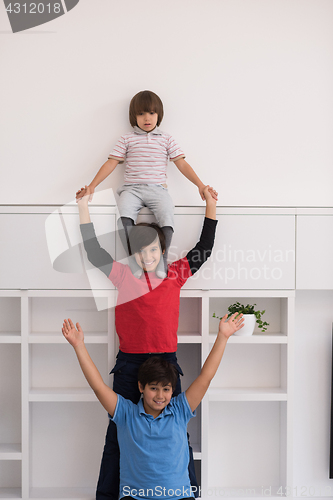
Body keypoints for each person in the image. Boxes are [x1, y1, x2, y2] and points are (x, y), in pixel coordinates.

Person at [78, 184, 217, 500]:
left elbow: (205, 248)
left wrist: (210, 204)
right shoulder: (123, 276)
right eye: (141, 250)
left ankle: (187, 494)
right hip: (130, 365)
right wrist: (83, 208)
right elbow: (94, 252)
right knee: (117, 434)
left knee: (178, 433)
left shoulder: (176, 273)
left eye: (153, 249)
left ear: (162, 249)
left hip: (167, 363)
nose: (148, 255)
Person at [61, 312, 244, 500]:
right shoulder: (126, 414)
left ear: (172, 390)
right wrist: (79, 346)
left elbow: (206, 377)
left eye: (166, 389)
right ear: (141, 387)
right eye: (153, 388)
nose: (160, 396)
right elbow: (98, 386)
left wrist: (223, 337)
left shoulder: (180, 410)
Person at [75, 90, 217, 277]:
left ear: (159, 115)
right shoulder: (127, 139)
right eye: (141, 114)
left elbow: (181, 163)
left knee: (167, 213)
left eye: (151, 113)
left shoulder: (166, 139)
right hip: (131, 190)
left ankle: (161, 263)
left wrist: (200, 185)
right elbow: (111, 163)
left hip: (157, 189)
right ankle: (134, 260)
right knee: (123, 217)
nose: (146, 118)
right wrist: (93, 185)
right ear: (134, 117)